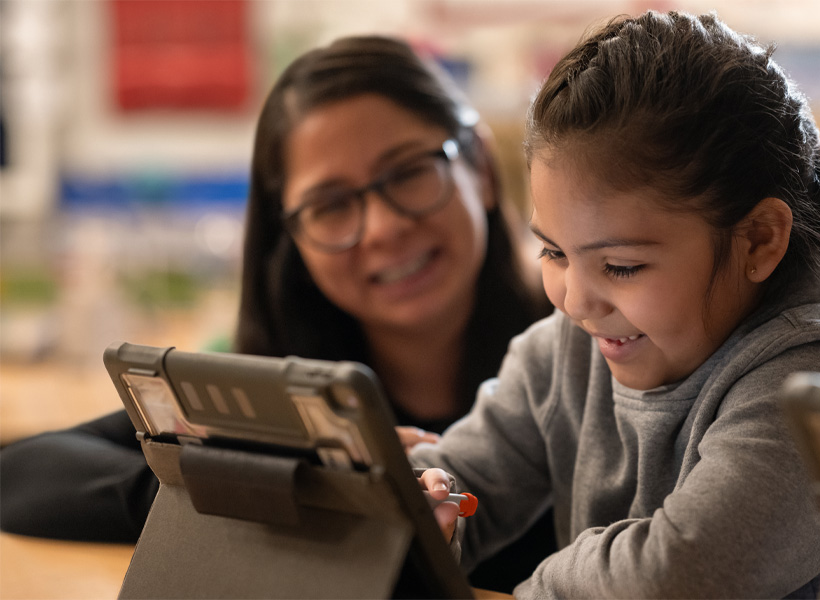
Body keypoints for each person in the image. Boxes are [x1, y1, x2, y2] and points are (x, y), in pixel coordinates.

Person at [0, 35, 554, 592]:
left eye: (408, 172)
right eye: (331, 205)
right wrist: (260, 487)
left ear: (481, 167)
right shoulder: (277, 394)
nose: (383, 228)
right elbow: (23, 472)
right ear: (290, 238)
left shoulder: (579, 359)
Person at [411, 10, 820, 599]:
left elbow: (679, 572)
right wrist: (425, 502)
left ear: (758, 240)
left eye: (622, 266)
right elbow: (467, 483)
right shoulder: (576, 346)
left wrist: (536, 589)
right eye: (553, 252)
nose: (576, 301)